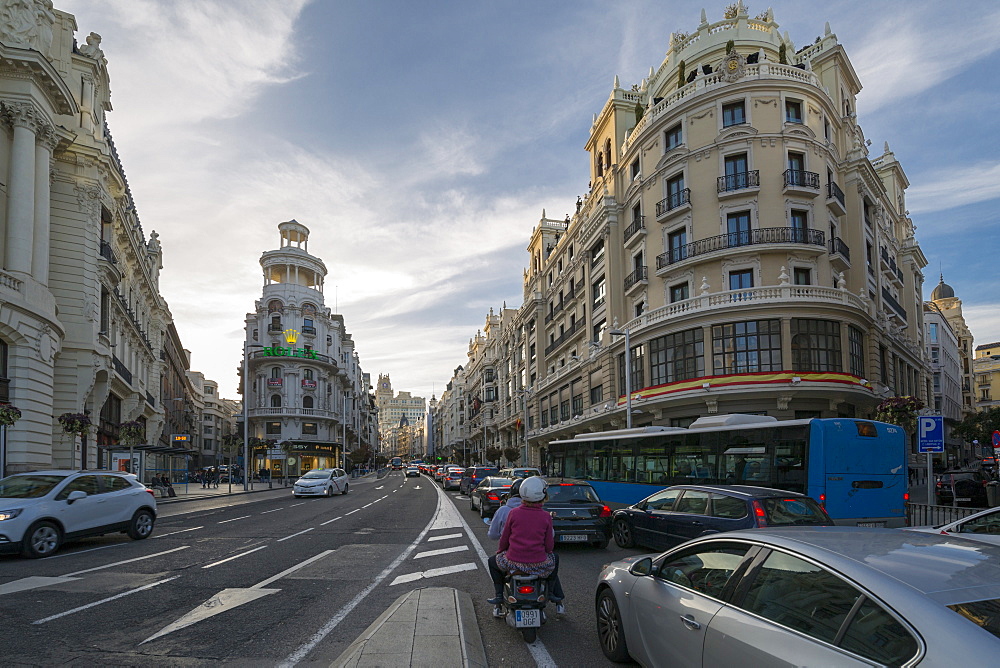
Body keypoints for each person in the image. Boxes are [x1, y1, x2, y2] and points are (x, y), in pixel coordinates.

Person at [488, 476, 566, 614]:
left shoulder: (513, 513)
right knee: (556, 558)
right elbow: (549, 545)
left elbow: (504, 539)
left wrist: (500, 551)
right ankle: (552, 593)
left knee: (491, 561)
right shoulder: (546, 516)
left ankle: (499, 595)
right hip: (539, 564)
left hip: (513, 562)